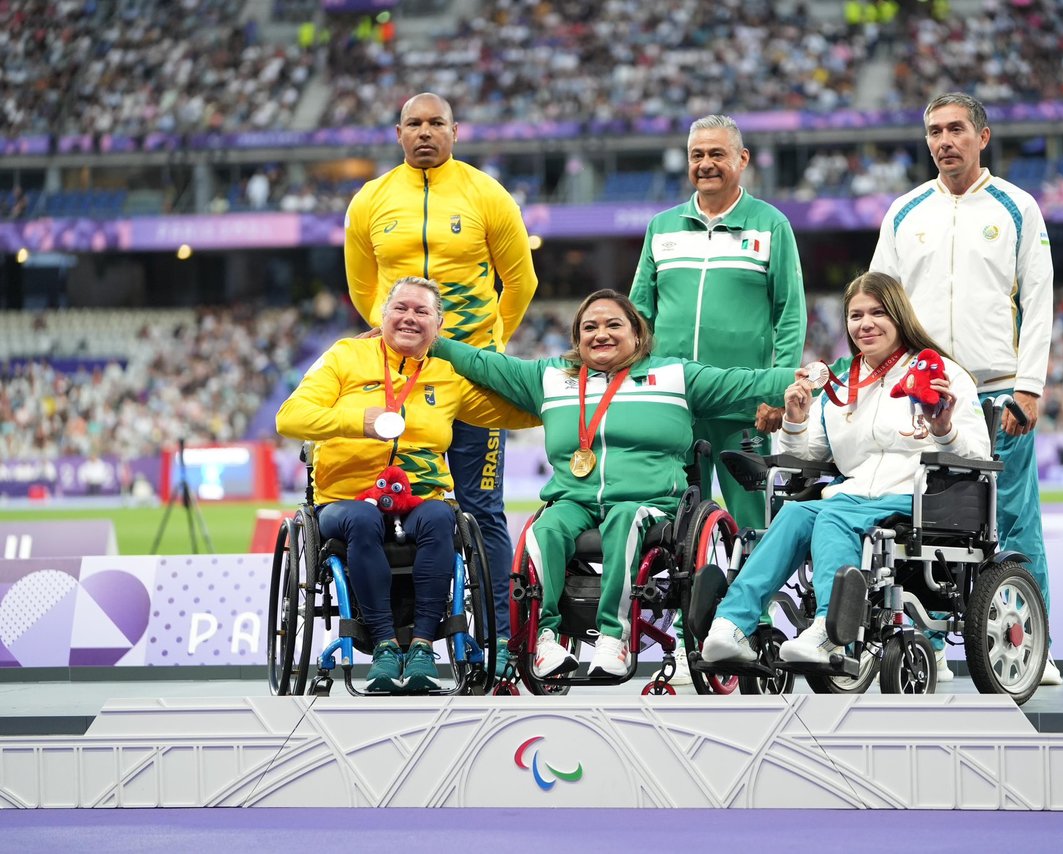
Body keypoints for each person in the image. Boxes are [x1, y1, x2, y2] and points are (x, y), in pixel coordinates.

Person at [430, 289, 796, 680]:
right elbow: (481, 363)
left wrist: (820, 374)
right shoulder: (550, 377)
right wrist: (429, 342)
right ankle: (547, 639)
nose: (600, 334)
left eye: (613, 325)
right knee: (544, 528)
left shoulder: (675, 376)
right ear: (577, 338)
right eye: (590, 327)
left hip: (649, 503)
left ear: (637, 334)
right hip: (575, 502)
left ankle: (613, 636)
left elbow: (749, 383)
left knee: (624, 517)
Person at [867, 92, 1060, 686]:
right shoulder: (904, 211)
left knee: (1015, 521)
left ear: (983, 136)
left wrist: (1029, 387)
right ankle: (925, 646)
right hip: (922, 397)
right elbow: (878, 302)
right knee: (922, 526)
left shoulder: (1017, 206)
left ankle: (1034, 647)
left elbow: (1039, 299)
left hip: (997, 392)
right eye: (934, 131)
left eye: (955, 129)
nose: (944, 141)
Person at [344, 92, 538, 675]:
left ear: (456, 131)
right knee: (402, 506)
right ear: (398, 133)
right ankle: (404, 635)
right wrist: (401, 343)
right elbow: (362, 290)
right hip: (400, 382)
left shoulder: (486, 194)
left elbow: (520, 282)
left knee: (483, 508)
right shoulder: (371, 200)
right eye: (414, 124)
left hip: (474, 376)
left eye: (436, 123)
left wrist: (484, 350)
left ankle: (501, 640)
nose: (425, 132)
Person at [703, 272, 990, 665]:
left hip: (921, 498)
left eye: (877, 313)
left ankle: (829, 632)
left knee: (832, 517)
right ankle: (730, 625)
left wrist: (944, 429)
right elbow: (804, 459)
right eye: (855, 316)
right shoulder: (843, 383)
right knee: (794, 515)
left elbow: (978, 455)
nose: (865, 324)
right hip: (855, 495)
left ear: (899, 316)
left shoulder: (942, 373)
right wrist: (796, 420)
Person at [277, 277, 539, 692]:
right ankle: (383, 645)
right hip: (346, 500)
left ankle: (421, 646)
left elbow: (509, 413)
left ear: (439, 326)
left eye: (421, 312)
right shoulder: (345, 356)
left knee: (440, 517)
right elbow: (289, 417)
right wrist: (357, 422)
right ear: (382, 315)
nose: (409, 318)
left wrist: (569, 401)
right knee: (362, 520)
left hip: (420, 500)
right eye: (400, 308)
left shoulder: (447, 376)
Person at [630, 114, 806, 683]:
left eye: (716, 154)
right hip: (674, 406)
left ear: (742, 160)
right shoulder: (661, 227)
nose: (705, 163)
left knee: (754, 527)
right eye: (696, 153)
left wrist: (777, 387)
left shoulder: (771, 226)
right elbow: (640, 315)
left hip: (742, 405)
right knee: (678, 529)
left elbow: (789, 313)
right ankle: (684, 645)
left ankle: (748, 635)